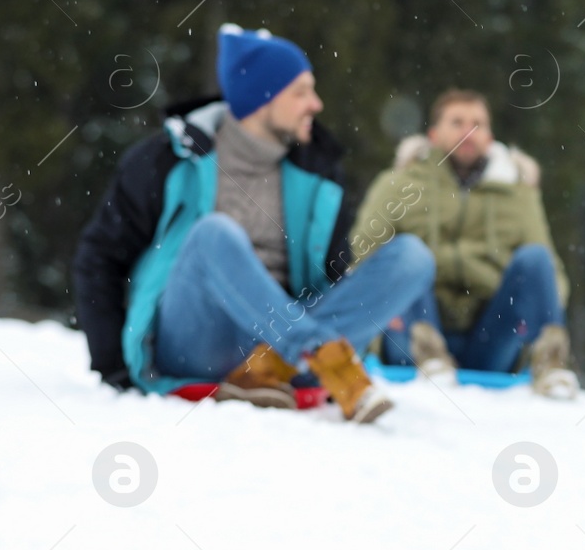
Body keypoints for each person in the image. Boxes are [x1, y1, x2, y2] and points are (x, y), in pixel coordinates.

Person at [73, 24, 435, 424]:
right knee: (215, 233)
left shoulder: (317, 174)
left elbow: (331, 277)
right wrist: (113, 365)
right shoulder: (167, 160)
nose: (315, 104)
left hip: (278, 346)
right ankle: (318, 354)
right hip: (197, 340)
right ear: (261, 99)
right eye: (300, 92)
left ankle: (281, 363)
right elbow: (99, 258)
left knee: (412, 257)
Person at [353, 88, 576, 398]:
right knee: (407, 253)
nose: (468, 132)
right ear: (433, 134)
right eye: (457, 122)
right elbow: (363, 256)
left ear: (490, 135)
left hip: (490, 337)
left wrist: (530, 315)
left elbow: (550, 277)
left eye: (478, 124)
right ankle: (430, 359)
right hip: (414, 328)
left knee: (535, 259)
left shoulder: (518, 193)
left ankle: (551, 362)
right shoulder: (398, 184)